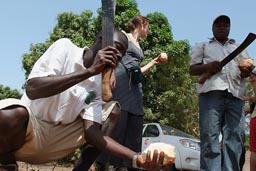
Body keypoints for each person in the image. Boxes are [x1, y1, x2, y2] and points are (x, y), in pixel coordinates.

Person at [0, 28, 173, 171]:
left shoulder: (97, 85)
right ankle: (6, 162)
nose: (117, 55)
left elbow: (92, 133)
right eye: (116, 47)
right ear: (99, 39)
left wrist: (136, 157)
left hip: (55, 144)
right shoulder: (65, 47)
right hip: (29, 134)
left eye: (121, 54)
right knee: (11, 112)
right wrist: (89, 71)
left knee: (112, 110)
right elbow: (33, 89)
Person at [95, 15, 167, 171]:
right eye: (147, 27)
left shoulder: (139, 45)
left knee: (134, 124)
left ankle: (127, 164)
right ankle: (103, 162)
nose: (148, 30)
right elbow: (112, 52)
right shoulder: (124, 36)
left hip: (134, 87)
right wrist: (111, 71)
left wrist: (154, 62)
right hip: (119, 80)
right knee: (117, 122)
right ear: (141, 24)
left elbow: (137, 70)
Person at [189, 15, 253, 171]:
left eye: (226, 25)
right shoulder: (203, 46)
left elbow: (247, 71)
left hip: (236, 95)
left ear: (230, 28)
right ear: (213, 28)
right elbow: (192, 69)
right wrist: (208, 66)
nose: (222, 27)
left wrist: (246, 71)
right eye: (218, 25)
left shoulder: (240, 48)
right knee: (210, 137)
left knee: (235, 138)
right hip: (211, 94)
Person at [243, 70, 256, 171]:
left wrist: (248, 98)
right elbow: (247, 109)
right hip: (254, 118)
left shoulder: (250, 93)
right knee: (254, 151)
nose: (251, 77)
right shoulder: (251, 91)